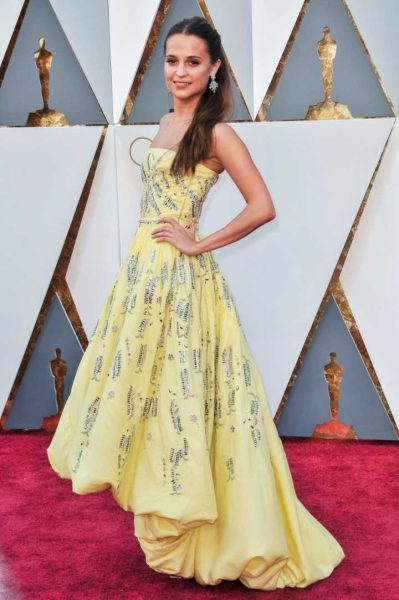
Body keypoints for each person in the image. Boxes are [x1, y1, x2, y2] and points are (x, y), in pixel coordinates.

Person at [47, 15, 345, 590]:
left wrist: (198, 241)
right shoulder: (162, 122)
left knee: (188, 395)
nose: (179, 71)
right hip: (141, 276)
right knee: (153, 394)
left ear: (213, 71)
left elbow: (263, 205)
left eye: (192, 62)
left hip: (182, 282)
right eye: (172, 60)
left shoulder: (217, 132)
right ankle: (173, 507)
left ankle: (221, 527)